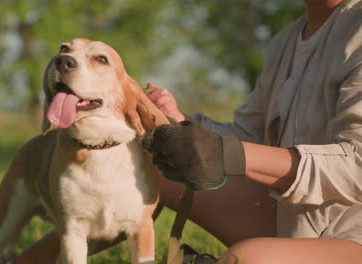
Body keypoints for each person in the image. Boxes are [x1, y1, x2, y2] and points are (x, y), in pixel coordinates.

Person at [143, 0, 362, 263]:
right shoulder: (287, 40)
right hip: (293, 219)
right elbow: (250, 138)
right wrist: (179, 123)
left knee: (247, 260)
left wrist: (227, 153)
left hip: (354, 238)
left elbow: (357, 165)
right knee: (148, 154)